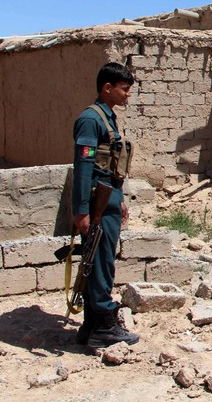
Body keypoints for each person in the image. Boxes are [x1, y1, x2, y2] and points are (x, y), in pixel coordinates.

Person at [72, 62, 140, 347]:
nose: (128, 95)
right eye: (124, 90)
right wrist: (82, 210)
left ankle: (90, 326)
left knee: (100, 260)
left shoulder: (107, 117)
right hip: (96, 202)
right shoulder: (91, 119)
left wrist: (120, 198)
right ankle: (103, 324)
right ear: (107, 88)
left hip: (109, 197)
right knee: (100, 263)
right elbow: (84, 166)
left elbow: (112, 165)